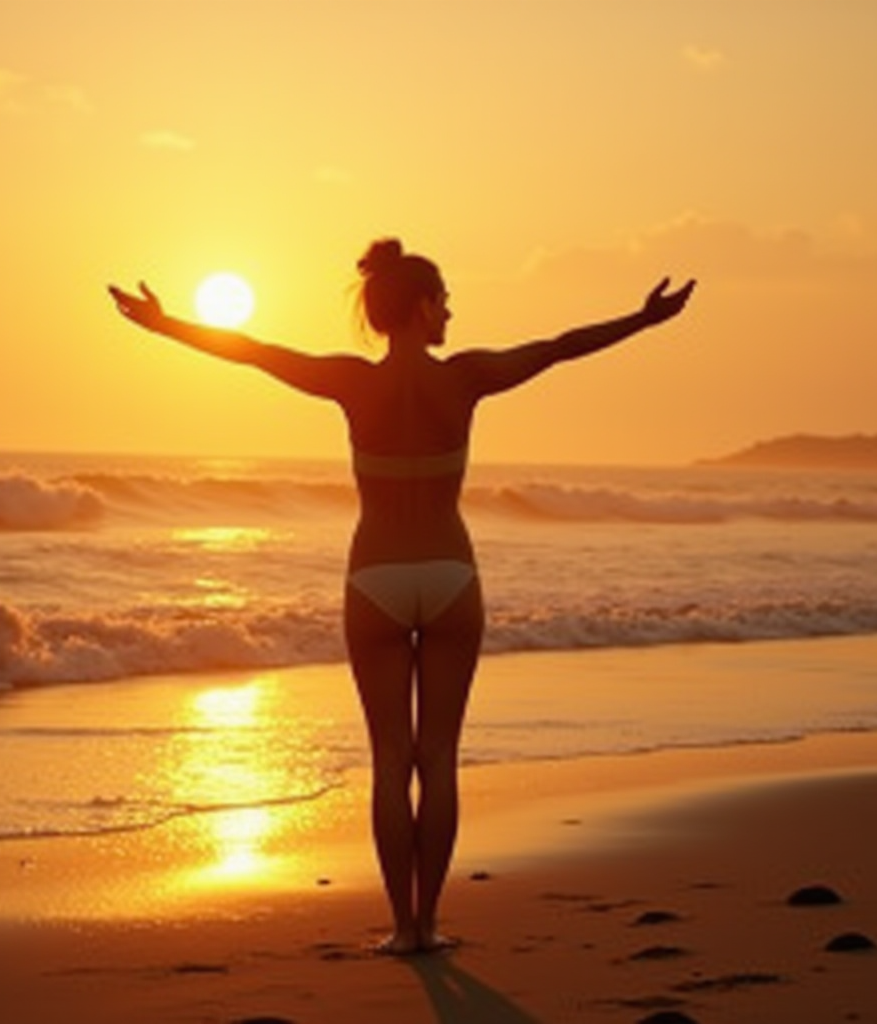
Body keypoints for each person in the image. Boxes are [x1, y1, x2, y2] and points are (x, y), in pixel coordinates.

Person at [108, 239, 694, 954]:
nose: (451, 310)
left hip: (375, 582)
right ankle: (433, 921)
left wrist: (166, 325)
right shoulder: (468, 378)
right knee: (438, 758)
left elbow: (253, 352)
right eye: (444, 299)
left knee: (391, 760)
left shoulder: (352, 382)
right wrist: (644, 320)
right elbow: (562, 347)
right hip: (450, 578)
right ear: (419, 306)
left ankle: (401, 930)